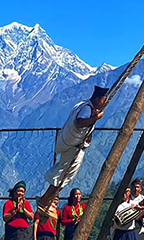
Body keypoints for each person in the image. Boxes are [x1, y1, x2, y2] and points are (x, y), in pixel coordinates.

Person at [37, 85, 108, 214]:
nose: (104, 102)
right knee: (65, 175)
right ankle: (45, 200)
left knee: (63, 172)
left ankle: (47, 200)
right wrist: (95, 118)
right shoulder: (87, 109)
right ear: (98, 99)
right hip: (74, 147)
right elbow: (79, 122)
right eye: (104, 99)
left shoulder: (83, 105)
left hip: (70, 145)